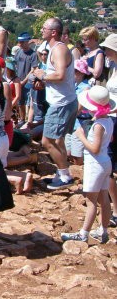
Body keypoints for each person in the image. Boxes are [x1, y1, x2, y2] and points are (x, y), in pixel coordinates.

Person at [61, 86, 115, 244]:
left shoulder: (98, 125)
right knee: (104, 198)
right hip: (106, 163)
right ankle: (102, 231)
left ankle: (84, 233)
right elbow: (108, 141)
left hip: (95, 164)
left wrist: (82, 137)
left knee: (91, 201)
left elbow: (95, 149)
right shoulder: (108, 121)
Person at [33, 17, 78, 190]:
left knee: (47, 141)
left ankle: (65, 177)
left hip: (61, 103)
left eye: (44, 28)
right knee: (58, 141)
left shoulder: (59, 50)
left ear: (53, 32)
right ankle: (62, 174)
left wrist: (42, 75)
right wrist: (44, 80)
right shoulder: (55, 49)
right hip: (64, 100)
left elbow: (59, 75)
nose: (41, 30)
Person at [99, 34, 117, 226]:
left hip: (113, 118)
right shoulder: (113, 67)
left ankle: (116, 211)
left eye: (108, 49)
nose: (105, 52)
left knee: (110, 164)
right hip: (111, 117)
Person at [64, 59, 93, 166]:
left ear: (81, 73)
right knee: (69, 151)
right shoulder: (74, 85)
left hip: (80, 123)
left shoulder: (86, 88)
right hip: (73, 122)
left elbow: (80, 107)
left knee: (77, 153)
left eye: (74, 71)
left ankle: (79, 173)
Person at [14, 32, 38, 125]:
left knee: (29, 102)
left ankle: (29, 120)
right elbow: (15, 65)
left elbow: (33, 69)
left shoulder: (33, 54)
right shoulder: (19, 52)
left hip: (27, 82)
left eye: (22, 42)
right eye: (19, 42)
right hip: (18, 80)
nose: (20, 44)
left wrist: (24, 81)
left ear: (27, 42)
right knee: (20, 101)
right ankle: (22, 119)